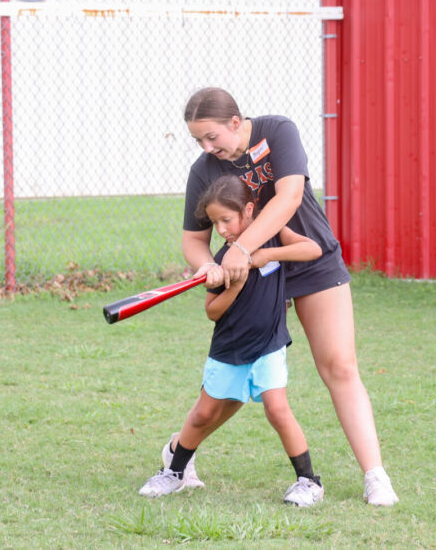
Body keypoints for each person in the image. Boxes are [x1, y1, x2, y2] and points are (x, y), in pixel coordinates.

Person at [174, 87, 399, 506]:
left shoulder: (278, 131)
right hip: (252, 280)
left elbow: (288, 196)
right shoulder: (203, 171)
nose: (207, 148)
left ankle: (375, 476)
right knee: (239, 383)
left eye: (212, 137)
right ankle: (178, 453)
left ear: (236, 123)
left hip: (306, 256)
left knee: (340, 366)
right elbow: (193, 239)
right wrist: (208, 265)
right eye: (198, 141)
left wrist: (243, 251)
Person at [139, 175, 325, 506]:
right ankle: (175, 473)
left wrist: (268, 257)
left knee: (277, 409)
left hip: (269, 344)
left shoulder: (273, 236)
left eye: (226, 219)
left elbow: (312, 248)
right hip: (229, 348)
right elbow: (212, 312)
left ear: (249, 210)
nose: (222, 229)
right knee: (202, 415)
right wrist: (233, 286)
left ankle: (309, 481)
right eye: (215, 223)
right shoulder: (220, 262)